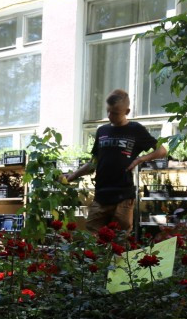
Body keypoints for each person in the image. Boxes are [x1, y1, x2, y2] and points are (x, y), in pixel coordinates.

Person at [63, 89, 168, 233]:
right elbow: (94, 162)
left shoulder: (135, 130)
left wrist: (140, 159)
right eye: (108, 111)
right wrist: (73, 176)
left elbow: (162, 150)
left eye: (115, 113)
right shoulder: (102, 131)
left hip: (123, 197)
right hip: (101, 196)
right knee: (92, 240)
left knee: (121, 242)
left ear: (127, 111)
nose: (110, 116)